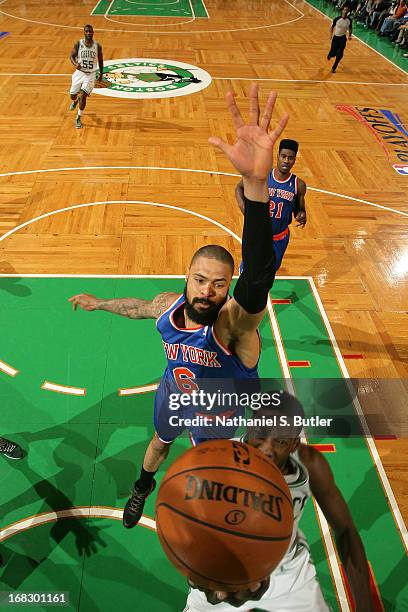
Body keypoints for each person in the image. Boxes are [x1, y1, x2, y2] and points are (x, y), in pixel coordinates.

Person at [68, 84, 288, 530]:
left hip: (220, 414)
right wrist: (99, 303)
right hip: (174, 395)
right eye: (200, 280)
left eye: (218, 285)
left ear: (228, 291)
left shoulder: (234, 328)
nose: (207, 291)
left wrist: (257, 187)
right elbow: (140, 307)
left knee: (215, 470)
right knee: (157, 446)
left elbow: (259, 276)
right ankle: (141, 488)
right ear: (187, 279)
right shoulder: (170, 308)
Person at [184, 394, 375, 612]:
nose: (266, 449)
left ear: (294, 444)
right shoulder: (216, 463)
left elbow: (346, 531)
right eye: (261, 434)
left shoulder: (309, 464)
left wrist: (365, 606)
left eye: (281, 441)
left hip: (287, 573)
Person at [235, 138, 307, 273]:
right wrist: (246, 211)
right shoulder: (262, 175)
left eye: (290, 158)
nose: (286, 161)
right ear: (278, 156)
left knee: (270, 271)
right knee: (248, 269)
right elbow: (239, 188)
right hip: (257, 233)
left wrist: (301, 215)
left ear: (294, 160)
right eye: (283, 156)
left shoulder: (299, 185)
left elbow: (299, 209)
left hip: (279, 237)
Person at [69, 25, 103, 129]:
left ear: (93, 32)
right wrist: (75, 64)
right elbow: (71, 56)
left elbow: (101, 60)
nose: (89, 33)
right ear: (84, 32)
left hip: (91, 74)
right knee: (72, 95)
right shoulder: (79, 44)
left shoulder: (97, 46)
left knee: (83, 95)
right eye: (87, 31)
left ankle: (79, 117)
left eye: (90, 31)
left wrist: (101, 74)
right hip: (80, 73)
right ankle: (75, 101)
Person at [327, 7, 353, 73]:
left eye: (347, 10)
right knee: (333, 53)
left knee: (340, 54)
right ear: (342, 11)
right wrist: (330, 35)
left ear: (348, 12)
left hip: (343, 38)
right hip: (335, 38)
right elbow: (332, 27)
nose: (345, 11)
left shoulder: (349, 20)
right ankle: (330, 54)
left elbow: (350, 28)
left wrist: (349, 35)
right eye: (344, 10)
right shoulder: (337, 19)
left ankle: (334, 67)